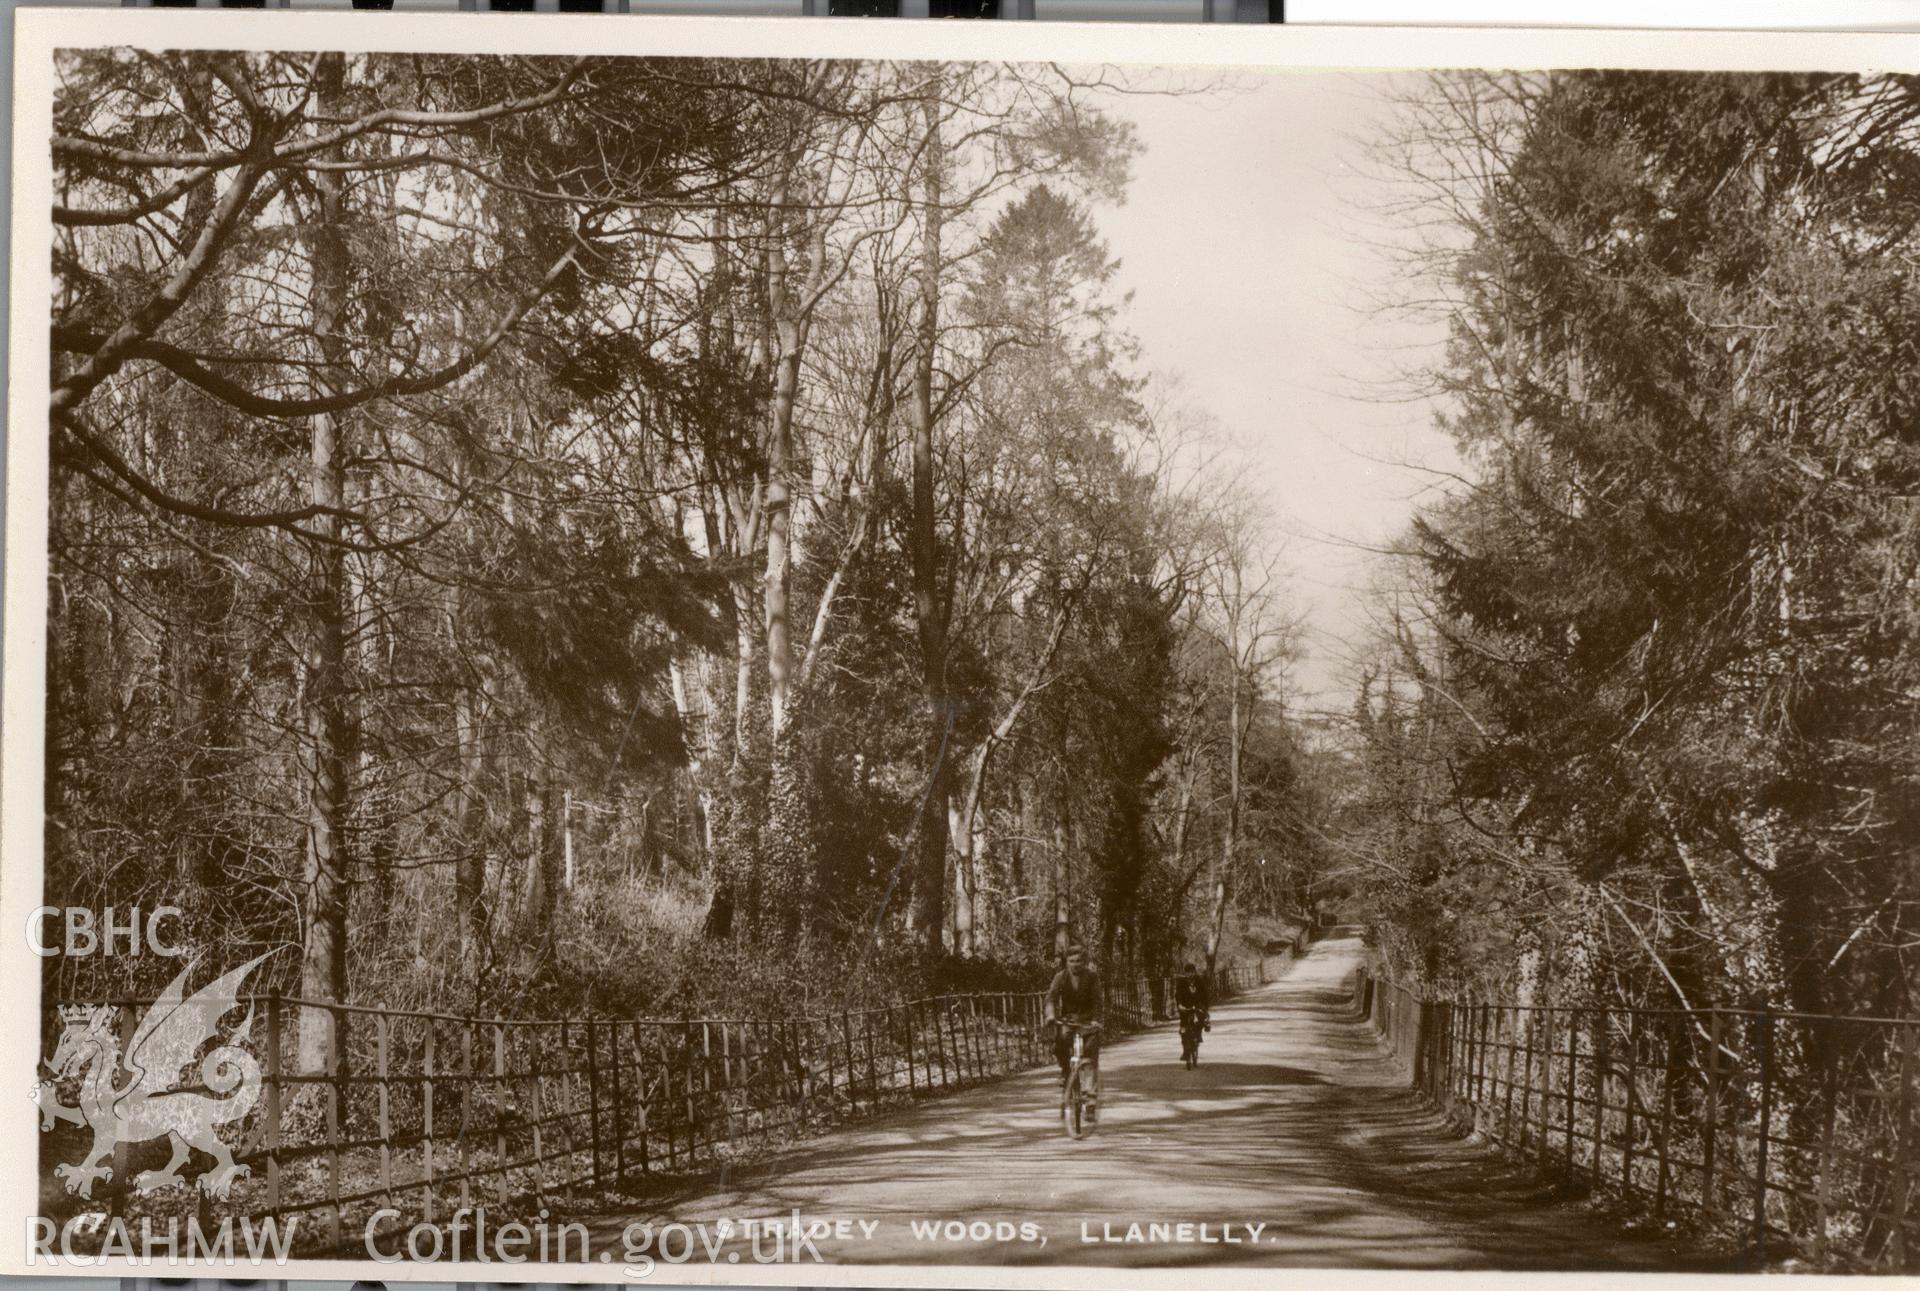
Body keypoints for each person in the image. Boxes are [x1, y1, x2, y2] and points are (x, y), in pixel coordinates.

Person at [1044, 943, 1103, 1088]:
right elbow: (1051, 997)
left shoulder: (1092, 977)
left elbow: (1097, 1000)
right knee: (1060, 1042)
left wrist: (1095, 1019)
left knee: (1090, 1052)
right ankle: (1065, 1071)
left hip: (1088, 1021)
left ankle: (1090, 1095)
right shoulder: (1061, 977)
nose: (1075, 964)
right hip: (1068, 1020)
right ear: (1067, 962)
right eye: (1071, 961)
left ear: (1084, 962)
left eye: (1078, 961)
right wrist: (1050, 1015)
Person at [1174, 962, 1210, 1063]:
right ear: (1185, 973)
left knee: (1201, 1019)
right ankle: (1186, 1051)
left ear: (1194, 972)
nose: (1189, 974)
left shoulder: (1199, 980)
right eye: (1187, 973)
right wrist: (1180, 1005)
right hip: (1185, 1006)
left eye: (1191, 972)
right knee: (1183, 1029)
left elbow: (1205, 994)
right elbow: (1178, 994)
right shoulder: (1181, 982)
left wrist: (1205, 1007)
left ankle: (1199, 1033)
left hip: (1198, 1004)